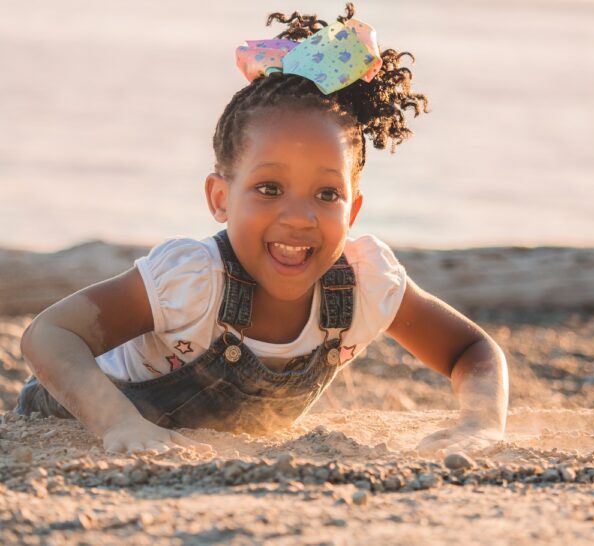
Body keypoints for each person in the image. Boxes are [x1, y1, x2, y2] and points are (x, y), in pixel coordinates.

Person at [17, 4, 508, 455]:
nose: (298, 216)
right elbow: (50, 335)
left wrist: (481, 423)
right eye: (270, 188)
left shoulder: (363, 286)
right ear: (220, 198)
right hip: (74, 408)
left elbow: (471, 349)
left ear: (353, 210)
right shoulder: (192, 283)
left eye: (326, 194)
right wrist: (120, 423)